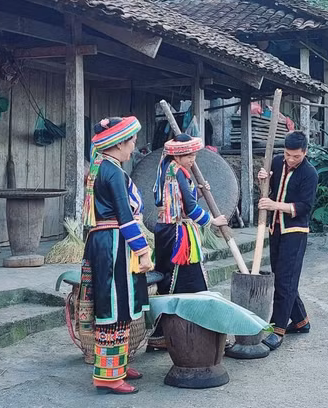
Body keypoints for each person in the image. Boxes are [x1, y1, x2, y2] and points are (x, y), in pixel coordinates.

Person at [78, 117, 153, 395]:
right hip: (114, 244)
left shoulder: (101, 168)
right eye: (132, 142)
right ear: (119, 142)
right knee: (115, 306)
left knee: (117, 305)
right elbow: (124, 217)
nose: (133, 148)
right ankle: (109, 377)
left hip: (102, 241)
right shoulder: (112, 172)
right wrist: (143, 251)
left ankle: (116, 365)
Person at [146, 134, 228, 351]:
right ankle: (201, 331)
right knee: (190, 282)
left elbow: (179, 201)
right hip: (177, 235)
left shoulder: (167, 168)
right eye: (189, 155)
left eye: (194, 154)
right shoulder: (179, 173)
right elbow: (189, 210)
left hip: (164, 231)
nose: (193, 159)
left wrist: (197, 192)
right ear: (178, 154)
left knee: (167, 281)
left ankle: (162, 333)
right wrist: (212, 220)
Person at [256, 131, 318, 350]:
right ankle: (301, 321)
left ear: (305, 153)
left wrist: (275, 206)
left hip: (295, 231)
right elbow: (269, 190)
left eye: (296, 156)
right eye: (288, 155)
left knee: (285, 281)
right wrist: (263, 180)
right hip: (276, 229)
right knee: (284, 279)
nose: (291, 160)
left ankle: (278, 329)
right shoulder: (276, 161)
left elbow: (304, 207)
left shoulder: (310, 174)